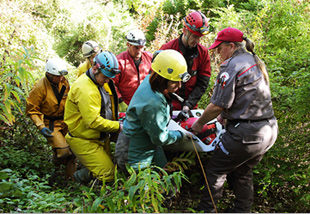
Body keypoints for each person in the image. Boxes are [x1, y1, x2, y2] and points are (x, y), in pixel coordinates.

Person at [191, 27, 279, 213]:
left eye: (219, 48)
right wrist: (225, 116)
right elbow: (248, 96)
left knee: (215, 170)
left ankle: (207, 210)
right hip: (268, 130)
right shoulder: (254, 60)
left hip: (246, 134)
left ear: (231, 46)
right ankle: (242, 211)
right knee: (242, 172)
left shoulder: (231, 66)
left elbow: (217, 105)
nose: (217, 52)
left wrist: (199, 124)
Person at [115, 49, 193, 176]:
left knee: (166, 177)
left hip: (150, 143)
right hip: (134, 153)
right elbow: (160, 137)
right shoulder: (153, 103)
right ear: (162, 79)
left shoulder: (151, 80)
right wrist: (181, 135)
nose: (179, 86)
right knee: (149, 191)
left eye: (180, 81)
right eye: (174, 81)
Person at [64, 51, 123, 184]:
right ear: (95, 68)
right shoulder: (85, 89)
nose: (107, 81)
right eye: (105, 77)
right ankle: (76, 179)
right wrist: (118, 126)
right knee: (108, 174)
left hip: (100, 137)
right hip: (84, 139)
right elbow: (93, 121)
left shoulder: (98, 82)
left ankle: (87, 178)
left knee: (113, 170)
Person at [26, 58, 76, 180]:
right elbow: (32, 109)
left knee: (73, 150)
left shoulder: (64, 82)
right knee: (64, 151)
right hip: (50, 123)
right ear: (49, 74)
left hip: (65, 121)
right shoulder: (40, 87)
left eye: (61, 76)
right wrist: (40, 126)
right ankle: (56, 164)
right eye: (57, 76)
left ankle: (71, 179)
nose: (60, 79)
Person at [160, 10, 211, 112]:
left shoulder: (203, 52)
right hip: (167, 104)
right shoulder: (167, 49)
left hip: (189, 106)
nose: (197, 41)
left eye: (200, 37)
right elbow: (157, 80)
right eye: (195, 36)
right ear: (184, 31)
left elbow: (202, 83)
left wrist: (189, 104)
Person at [113, 29, 153, 112]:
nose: (139, 51)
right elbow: (111, 84)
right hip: (127, 105)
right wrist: (120, 101)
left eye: (141, 47)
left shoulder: (150, 58)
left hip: (146, 105)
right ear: (128, 44)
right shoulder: (119, 62)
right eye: (136, 48)